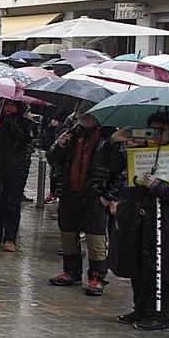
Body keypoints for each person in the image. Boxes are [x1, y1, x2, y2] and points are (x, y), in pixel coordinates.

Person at [112, 113, 169, 331]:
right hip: (139, 218)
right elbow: (110, 164)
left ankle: (163, 315)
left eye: (162, 130)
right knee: (139, 265)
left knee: (165, 268)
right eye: (153, 129)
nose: (156, 134)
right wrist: (116, 140)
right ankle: (141, 308)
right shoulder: (141, 151)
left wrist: (159, 186)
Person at [48, 108, 125, 297]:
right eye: (83, 112)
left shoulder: (110, 138)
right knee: (68, 236)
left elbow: (119, 171)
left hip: (95, 198)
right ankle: (71, 271)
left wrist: (108, 197)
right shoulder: (72, 133)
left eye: (90, 113)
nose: (85, 116)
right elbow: (53, 160)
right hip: (69, 194)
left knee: (95, 240)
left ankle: (97, 277)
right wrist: (60, 144)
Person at [0, 100, 32, 252]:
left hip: (16, 168)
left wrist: (12, 124)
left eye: (13, 104)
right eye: (7, 104)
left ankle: (10, 238)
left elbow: (26, 140)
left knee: (12, 202)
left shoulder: (26, 122)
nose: (9, 107)